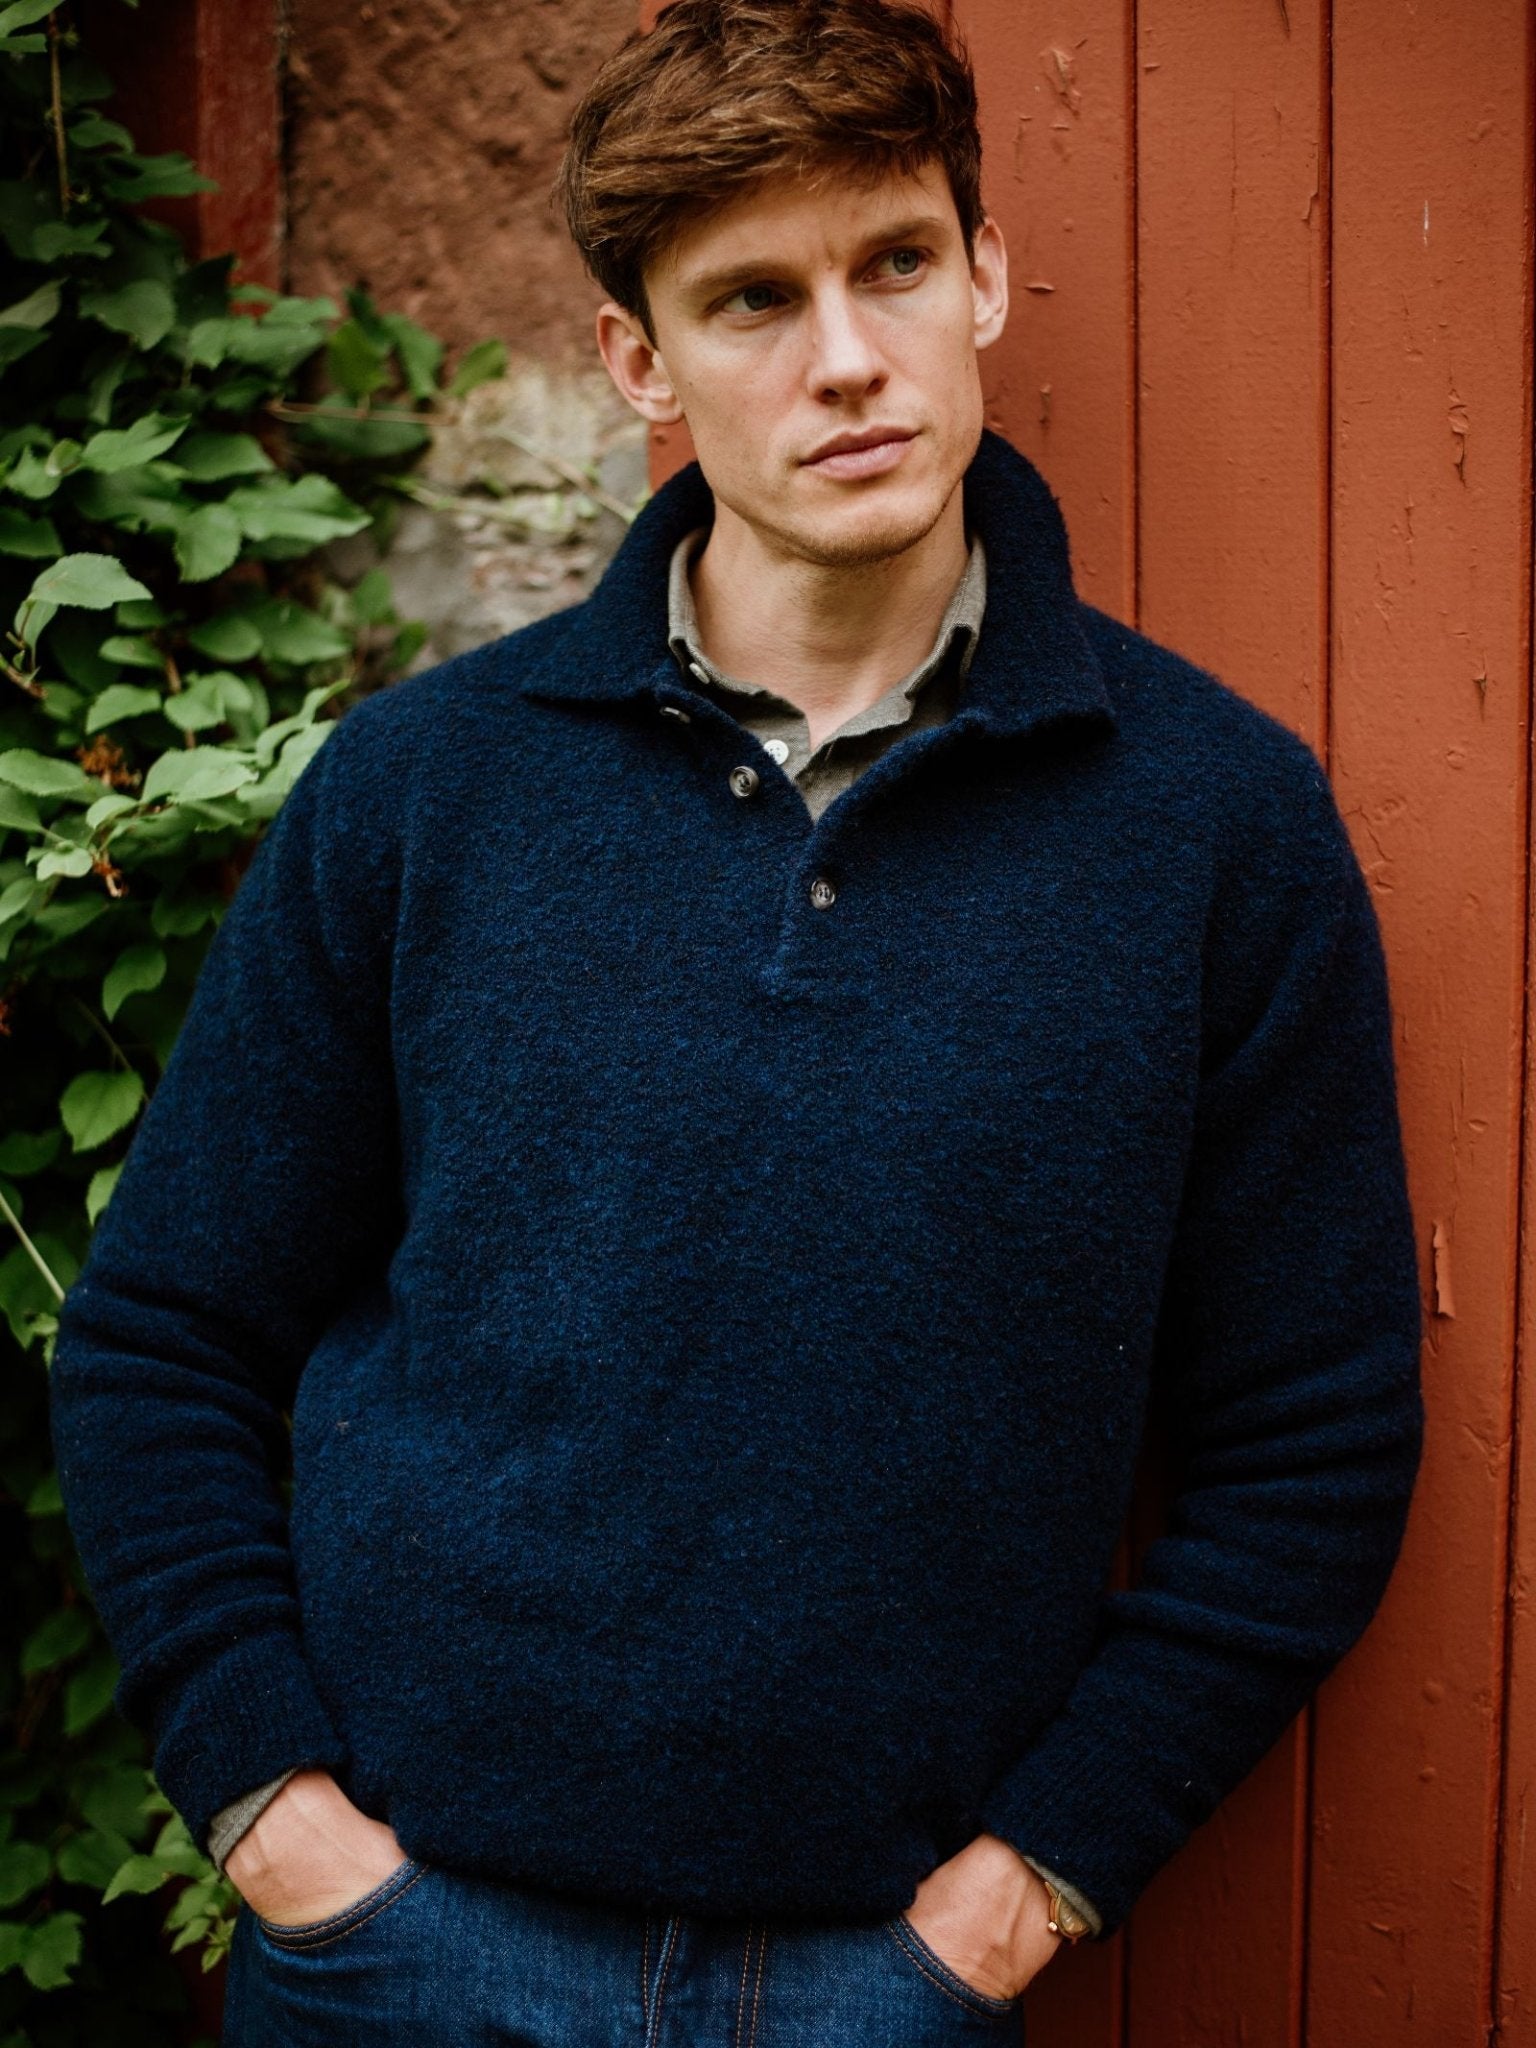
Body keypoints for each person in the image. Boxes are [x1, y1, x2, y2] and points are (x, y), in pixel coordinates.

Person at [47, 0, 1425, 2039]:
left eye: (890, 262)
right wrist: (278, 1819)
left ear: (984, 271)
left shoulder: (1215, 824)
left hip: (886, 1974)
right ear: (640, 364)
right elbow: (167, 1332)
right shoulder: (425, 793)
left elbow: (1310, 1442)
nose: (847, 358)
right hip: (409, 1960)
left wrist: (1014, 1901)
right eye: (751, 301)